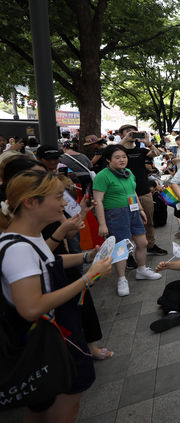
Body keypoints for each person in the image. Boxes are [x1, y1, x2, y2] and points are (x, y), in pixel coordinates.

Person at [0, 170, 113, 421]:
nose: (64, 203)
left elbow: (48, 260)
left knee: (42, 403)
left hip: (51, 334)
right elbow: (31, 307)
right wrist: (89, 277)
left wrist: (87, 256)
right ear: (31, 202)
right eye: (58, 197)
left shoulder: (27, 236)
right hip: (48, 339)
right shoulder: (18, 248)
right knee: (64, 404)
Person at [93, 145, 161, 296]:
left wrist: (141, 209)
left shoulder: (128, 172)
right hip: (115, 215)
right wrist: (102, 224)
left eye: (124, 156)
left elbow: (133, 192)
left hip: (133, 211)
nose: (122, 160)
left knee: (142, 243)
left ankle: (141, 270)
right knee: (121, 247)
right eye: (117, 157)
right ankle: (122, 279)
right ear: (108, 159)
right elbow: (98, 201)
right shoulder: (102, 176)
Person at [117, 124, 167, 258]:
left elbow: (156, 154)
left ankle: (150, 245)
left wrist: (148, 142)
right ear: (121, 134)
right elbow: (111, 151)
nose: (132, 133)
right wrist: (125, 140)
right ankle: (128, 256)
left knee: (149, 221)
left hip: (143, 191)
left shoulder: (141, 150)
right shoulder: (118, 152)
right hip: (124, 193)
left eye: (134, 131)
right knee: (126, 226)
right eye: (128, 132)